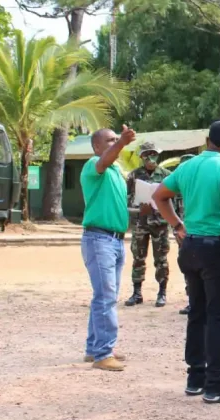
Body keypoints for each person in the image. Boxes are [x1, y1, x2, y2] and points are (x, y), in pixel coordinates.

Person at [152, 120, 220, 403]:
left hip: (191, 246)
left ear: (207, 140)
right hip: (218, 248)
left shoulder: (188, 166)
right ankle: (216, 385)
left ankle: (195, 378)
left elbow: (160, 196)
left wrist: (177, 225)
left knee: (197, 313)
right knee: (219, 316)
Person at [80, 125, 137, 371]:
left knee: (105, 297)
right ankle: (104, 353)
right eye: (110, 140)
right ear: (96, 146)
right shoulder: (94, 165)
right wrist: (122, 143)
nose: (115, 142)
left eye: (117, 138)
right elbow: (104, 160)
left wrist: (139, 210)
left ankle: (94, 349)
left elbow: (114, 204)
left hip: (115, 240)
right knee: (105, 297)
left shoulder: (116, 170)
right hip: (99, 239)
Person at [125, 142, 171, 308]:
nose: (150, 157)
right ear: (141, 157)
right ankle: (137, 293)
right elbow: (127, 197)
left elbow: (172, 198)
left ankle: (162, 292)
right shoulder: (133, 176)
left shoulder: (167, 175)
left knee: (161, 259)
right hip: (140, 223)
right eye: (147, 154)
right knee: (138, 258)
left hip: (160, 223)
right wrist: (138, 207)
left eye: (153, 154)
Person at [175, 153, 196, 316]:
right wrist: (176, 229)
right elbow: (171, 210)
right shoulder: (177, 189)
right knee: (188, 269)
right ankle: (192, 301)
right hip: (183, 235)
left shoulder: (201, 187)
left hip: (202, 234)